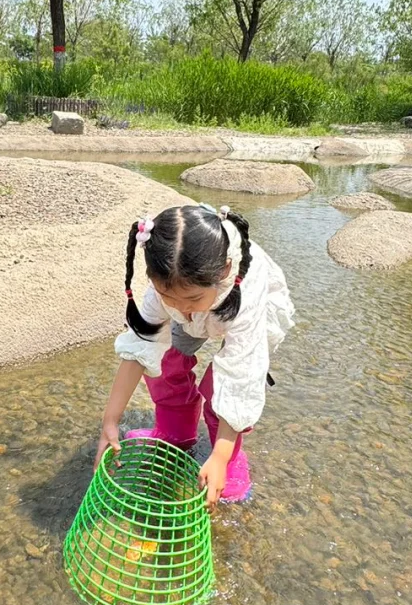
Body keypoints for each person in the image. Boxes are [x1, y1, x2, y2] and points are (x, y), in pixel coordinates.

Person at [95, 203, 294, 505]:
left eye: (190, 299)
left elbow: (240, 380)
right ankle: (176, 432)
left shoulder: (248, 290)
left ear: (225, 270)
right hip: (206, 296)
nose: (181, 307)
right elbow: (140, 346)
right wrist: (110, 420)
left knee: (220, 389)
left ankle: (228, 457)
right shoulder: (171, 282)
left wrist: (220, 456)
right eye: (167, 296)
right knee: (163, 361)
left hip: (241, 311)